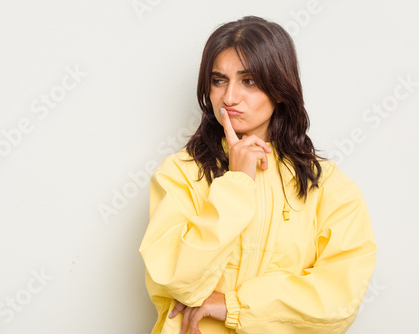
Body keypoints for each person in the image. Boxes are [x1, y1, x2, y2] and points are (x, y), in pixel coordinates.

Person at [139, 15, 376, 334]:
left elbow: (338, 301)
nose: (229, 97)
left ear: (279, 89)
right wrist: (237, 184)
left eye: (248, 81)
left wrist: (234, 306)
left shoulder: (328, 186)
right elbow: (177, 278)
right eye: (218, 80)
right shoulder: (180, 173)